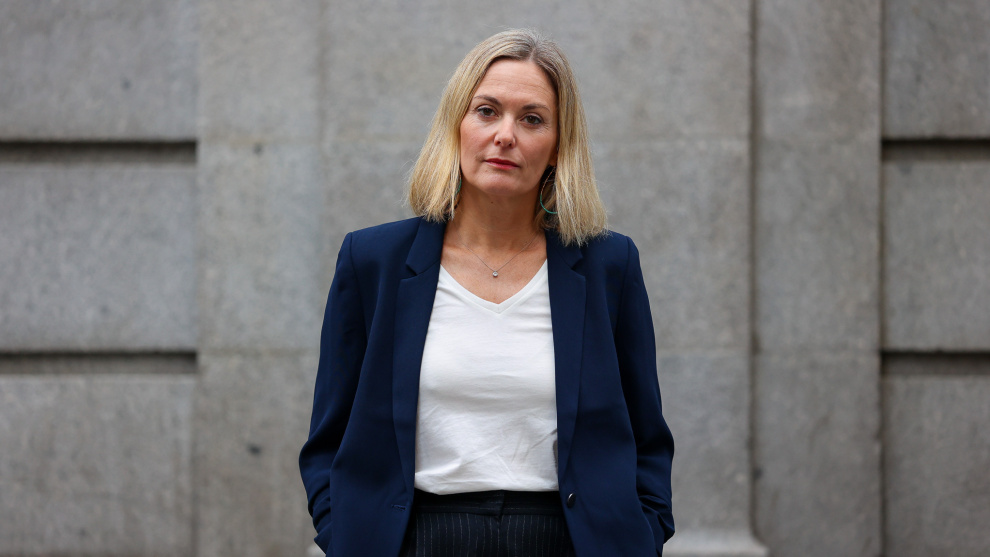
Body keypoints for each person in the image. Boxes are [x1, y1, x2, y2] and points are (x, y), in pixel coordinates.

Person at [300, 29, 674, 556]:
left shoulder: (608, 265)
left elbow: (647, 435)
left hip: (568, 540)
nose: (505, 135)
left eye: (532, 119)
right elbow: (329, 434)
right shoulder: (373, 261)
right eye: (486, 111)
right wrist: (343, 536)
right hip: (416, 539)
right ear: (456, 125)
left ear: (558, 147)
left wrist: (644, 535)